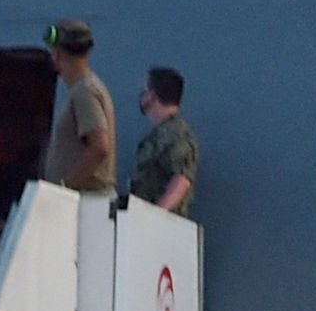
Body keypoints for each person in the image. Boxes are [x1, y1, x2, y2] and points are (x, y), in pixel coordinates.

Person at [37, 20, 115, 197]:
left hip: (85, 202)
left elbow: (100, 147)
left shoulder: (84, 91)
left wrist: (66, 188)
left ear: (57, 53)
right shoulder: (84, 88)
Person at [128, 67, 199, 215]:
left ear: (152, 96)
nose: (142, 95)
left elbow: (182, 179)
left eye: (144, 90)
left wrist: (156, 216)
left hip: (164, 229)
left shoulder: (176, 134)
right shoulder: (159, 135)